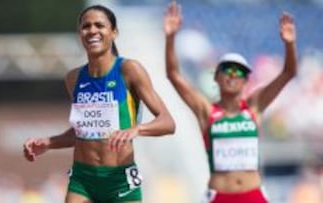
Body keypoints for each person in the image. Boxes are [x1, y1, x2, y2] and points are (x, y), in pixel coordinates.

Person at [23, 4, 175, 203]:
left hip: (119, 179)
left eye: (99, 25)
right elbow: (83, 131)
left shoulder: (129, 70)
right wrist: (49, 142)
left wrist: (136, 129)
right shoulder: (73, 78)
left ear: (114, 32)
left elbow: (168, 122)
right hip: (82, 179)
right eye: (86, 26)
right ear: (80, 34)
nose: (92, 30)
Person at [164, 1, 297, 203]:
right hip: (219, 196)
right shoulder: (206, 110)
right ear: (216, 77)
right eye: (226, 70)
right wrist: (170, 38)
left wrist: (289, 44)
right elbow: (173, 74)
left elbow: (288, 73)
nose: (232, 75)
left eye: (239, 72)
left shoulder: (255, 106)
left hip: (253, 195)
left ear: (246, 80)